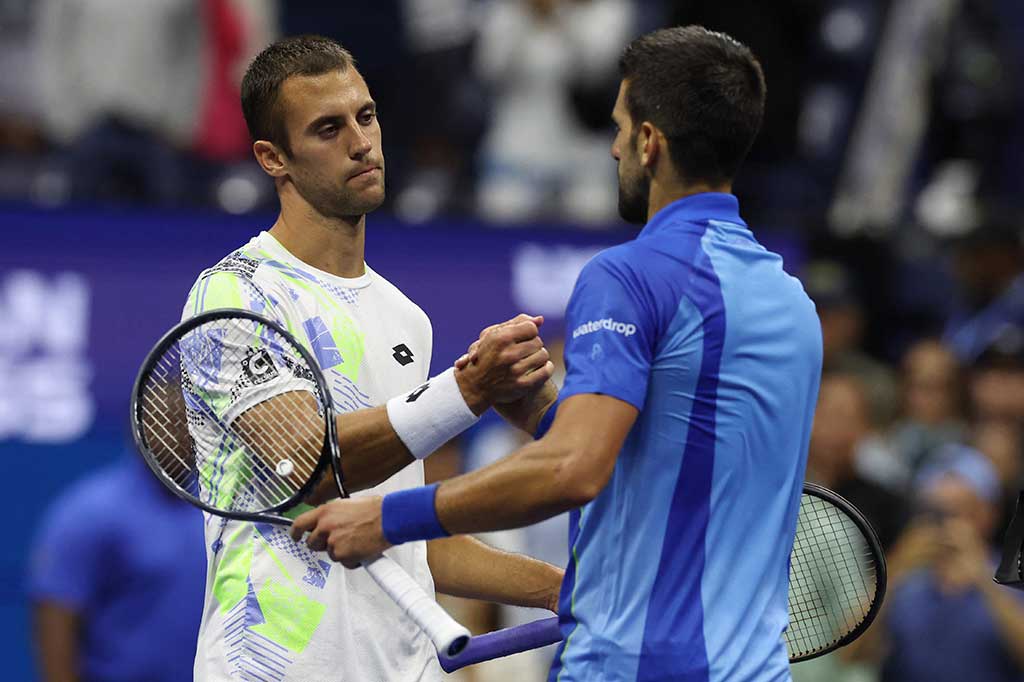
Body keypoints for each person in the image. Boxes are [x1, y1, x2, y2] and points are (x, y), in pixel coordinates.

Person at [293, 26, 824, 681]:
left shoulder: (630, 275)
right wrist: (548, 413)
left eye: (620, 129)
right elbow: (674, 458)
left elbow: (573, 470)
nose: (614, 148)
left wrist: (387, 517)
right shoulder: (791, 301)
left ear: (650, 143)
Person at [186, 35, 563, 681]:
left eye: (366, 116)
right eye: (328, 128)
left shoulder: (405, 318)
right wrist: (469, 390)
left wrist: (560, 588)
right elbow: (310, 467)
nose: (361, 143)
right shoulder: (236, 294)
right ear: (273, 158)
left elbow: (404, 536)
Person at [847, 446, 1024, 682]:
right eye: (934, 512)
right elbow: (850, 653)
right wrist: (895, 569)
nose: (944, 524)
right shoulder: (907, 579)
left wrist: (984, 577)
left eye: (958, 511)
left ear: (988, 513)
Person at [28, 455, 207, 682]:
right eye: (165, 431)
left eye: (186, 432)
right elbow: (56, 615)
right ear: (137, 434)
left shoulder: (220, 508)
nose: (178, 439)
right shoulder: (91, 512)